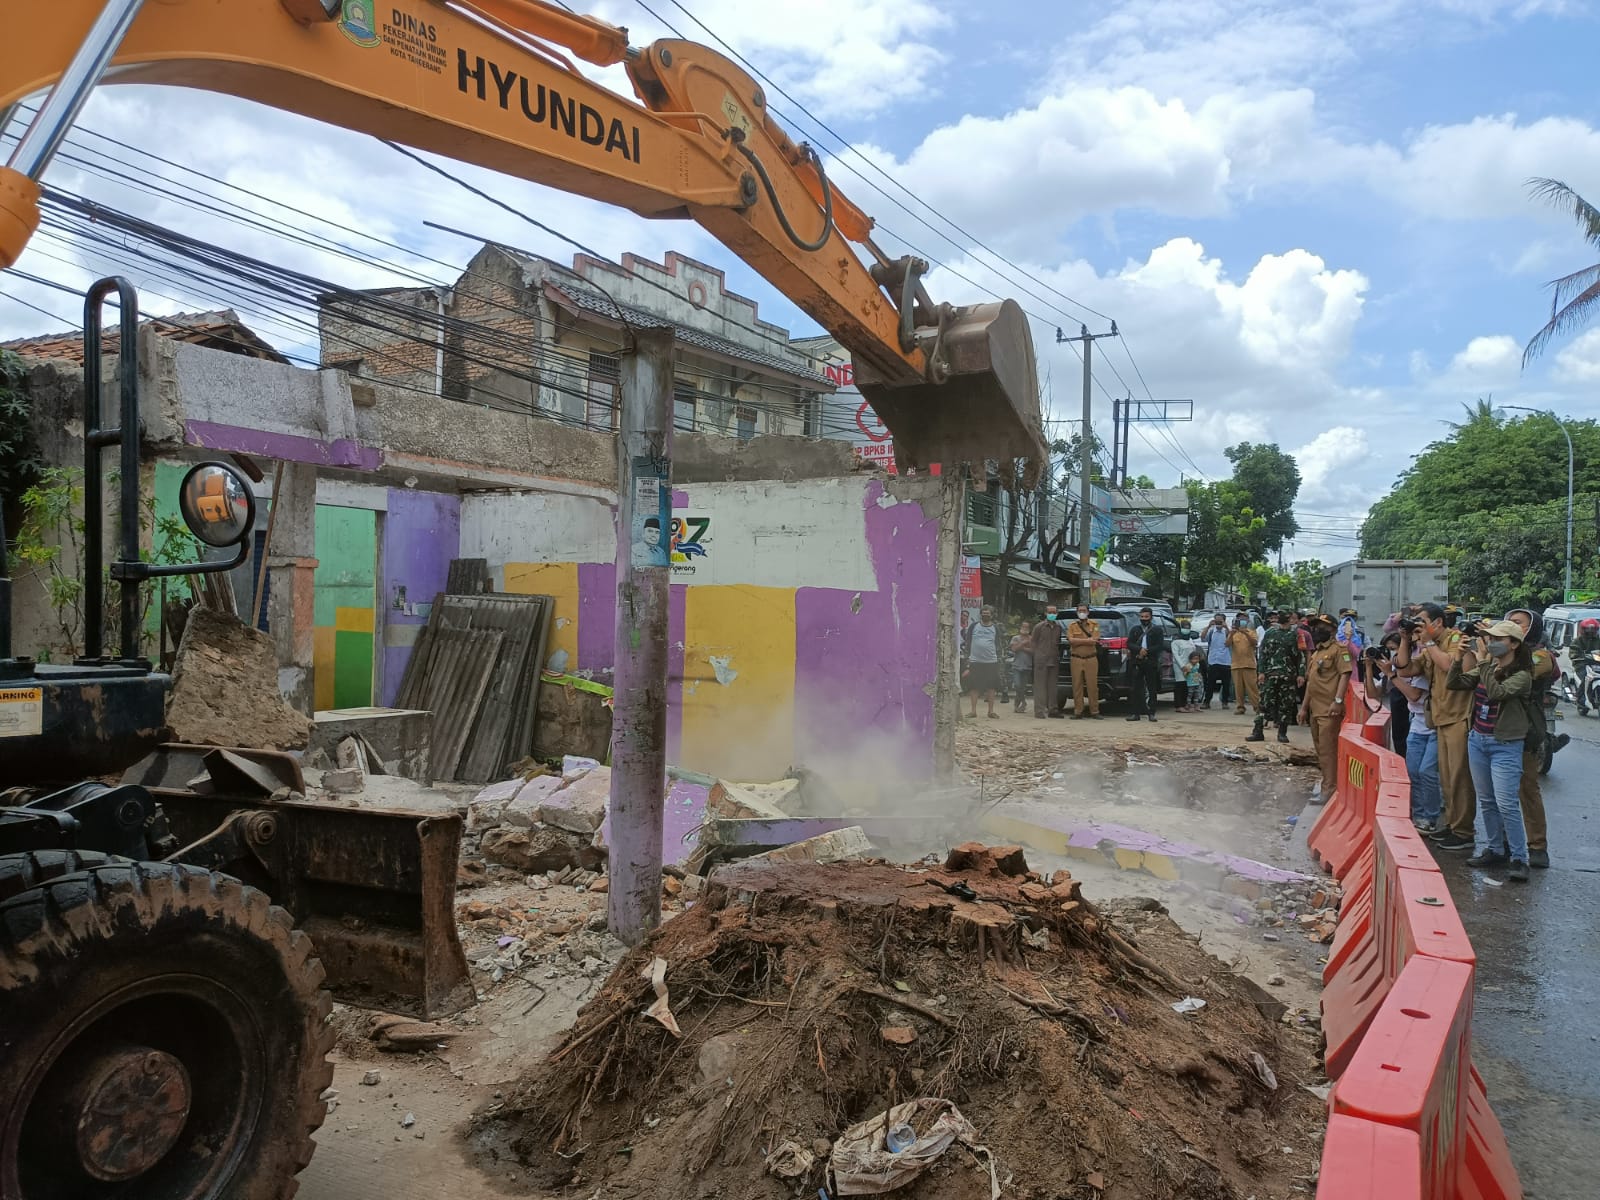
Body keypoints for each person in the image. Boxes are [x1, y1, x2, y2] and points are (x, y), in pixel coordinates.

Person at [1447, 620, 1536, 882]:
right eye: (1489, 638)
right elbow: (1456, 683)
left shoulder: (1521, 675)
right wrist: (1459, 657)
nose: (1491, 642)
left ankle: (1520, 858)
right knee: (1486, 801)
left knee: (1507, 803)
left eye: (1498, 639)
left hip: (1505, 744)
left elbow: (1496, 694)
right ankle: (1496, 849)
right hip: (1478, 740)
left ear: (1514, 644)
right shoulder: (1489, 667)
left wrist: (1483, 661)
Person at [1397, 602, 1476, 852]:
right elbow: (1406, 668)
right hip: (1440, 718)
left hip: (1458, 717)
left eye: (1422, 621)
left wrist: (1429, 643)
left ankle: (1464, 831)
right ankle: (1453, 825)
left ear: (1438, 622)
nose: (1418, 626)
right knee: (1446, 779)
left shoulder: (1455, 639)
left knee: (1458, 778)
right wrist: (1404, 640)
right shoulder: (1428, 646)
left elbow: (1450, 666)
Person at [1506, 608, 1557, 868]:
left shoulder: (1541, 654)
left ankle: (1537, 846)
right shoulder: (1498, 650)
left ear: (1532, 628)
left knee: (1527, 788)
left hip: (1525, 729)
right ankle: (1502, 844)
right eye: (1507, 623)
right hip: (1495, 728)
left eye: (1517, 623)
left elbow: (1529, 672)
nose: (1510, 627)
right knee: (1498, 792)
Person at [1392, 630, 1442, 832]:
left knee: (1427, 772)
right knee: (1412, 771)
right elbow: (1402, 667)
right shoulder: (1411, 664)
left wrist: (1391, 675)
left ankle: (1430, 817)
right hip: (1417, 724)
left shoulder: (1428, 664)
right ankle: (1418, 815)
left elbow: (1413, 695)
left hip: (1434, 724)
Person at [1300, 614, 1351, 801]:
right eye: (1314, 626)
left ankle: (1329, 789)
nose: (1316, 630)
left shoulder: (1339, 650)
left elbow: (1345, 675)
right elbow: (1311, 682)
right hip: (1315, 709)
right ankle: (1327, 785)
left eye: (1321, 626)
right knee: (1321, 750)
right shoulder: (1316, 653)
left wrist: (1337, 701)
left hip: (1329, 710)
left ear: (1332, 629)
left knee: (1329, 751)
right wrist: (1304, 708)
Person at [1250, 611, 1304, 743]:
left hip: (1288, 675)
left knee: (1286, 705)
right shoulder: (1270, 633)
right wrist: (1261, 672)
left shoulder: (1296, 634)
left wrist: (1301, 674)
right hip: (1270, 674)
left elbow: (1300, 656)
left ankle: (1282, 733)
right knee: (1264, 703)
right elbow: (1263, 653)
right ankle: (1258, 731)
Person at [1125, 606, 1165, 722]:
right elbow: (1129, 644)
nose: (1144, 619)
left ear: (1151, 617)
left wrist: (1146, 652)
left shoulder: (1157, 630)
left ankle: (1151, 713)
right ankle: (1135, 713)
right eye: (1142, 617)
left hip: (1150, 662)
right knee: (1136, 688)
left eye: (1146, 617)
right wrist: (1139, 650)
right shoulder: (1135, 629)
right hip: (1137, 661)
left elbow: (1159, 645)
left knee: (1152, 688)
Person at [963, 605, 1001, 719]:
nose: (985, 615)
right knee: (974, 687)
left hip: (991, 662)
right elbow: (968, 643)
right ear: (980, 614)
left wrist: (999, 660)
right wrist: (967, 660)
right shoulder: (974, 626)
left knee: (991, 687)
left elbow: (999, 644)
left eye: (988, 613)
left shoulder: (996, 628)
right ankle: (973, 711)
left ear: (992, 615)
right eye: (983, 613)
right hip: (975, 661)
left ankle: (991, 711)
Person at [1066, 602, 1103, 719]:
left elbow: (1095, 640)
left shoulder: (1094, 624)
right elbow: (1070, 641)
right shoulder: (1072, 625)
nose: (1082, 613)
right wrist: (1088, 640)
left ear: (1088, 612)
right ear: (1077, 612)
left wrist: (1078, 641)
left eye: (1084, 610)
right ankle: (1078, 711)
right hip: (1076, 659)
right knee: (1077, 686)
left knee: (1093, 686)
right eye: (1080, 611)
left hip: (1091, 658)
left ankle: (1094, 711)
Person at [1030, 604, 1063, 719]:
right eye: (1050, 612)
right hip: (1041, 660)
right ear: (1045, 613)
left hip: (1053, 660)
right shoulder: (1039, 627)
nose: (1052, 614)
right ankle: (1039, 710)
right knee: (1040, 686)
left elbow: (1058, 643)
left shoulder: (1059, 627)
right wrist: (1037, 655)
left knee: (1053, 687)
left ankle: (1053, 710)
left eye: (1054, 612)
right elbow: (1033, 642)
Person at [1227, 617, 1261, 716]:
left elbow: (1254, 643)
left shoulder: (1251, 632)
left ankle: (1257, 706)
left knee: (1252, 688)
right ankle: (1240, 707)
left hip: (1249, 664)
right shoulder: (1233, 633)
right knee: (1238, 688)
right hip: (1236, 664)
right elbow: (1227, 644)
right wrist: (1231, 634)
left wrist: (1245, 633)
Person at [1201, 613, 1234, 708]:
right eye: (1217, 621)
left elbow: (1230, 642)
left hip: (1225, 661)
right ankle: (1207, 702)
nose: (1218, 623)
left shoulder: (1227, 631)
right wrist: (1208, 626)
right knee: (1210, 683)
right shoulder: (1211, 632)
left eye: (1220, 621)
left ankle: (1225, 702)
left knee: (1226, 684)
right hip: (1213, 660)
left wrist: (1226, 627)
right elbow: (1203, 637)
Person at [1572, 617, 1600, 714]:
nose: (1591, 631)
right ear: (1583, 629)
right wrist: (1577, 656)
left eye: (1593, 629)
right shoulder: (1578, 640)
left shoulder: (1598, 639)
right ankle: (1578, 695)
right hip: (1582, 664)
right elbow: (1573, 651)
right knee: (1586, 676)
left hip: (1597, 663)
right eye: (1588, 629)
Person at [1008, 629, 1032, 714]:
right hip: (1016, 666)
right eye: (1023, 627)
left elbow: (1033, 651)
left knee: (1022, 687)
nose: (1025, 629)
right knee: (1017, 685)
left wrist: (1022, 648)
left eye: (1027, 627)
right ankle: (1024, 702)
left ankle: (1016, 706)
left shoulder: (1031, 638)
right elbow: (1014, 649)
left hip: (1027, 666)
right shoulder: (1015, 638)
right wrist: (1023, 644)